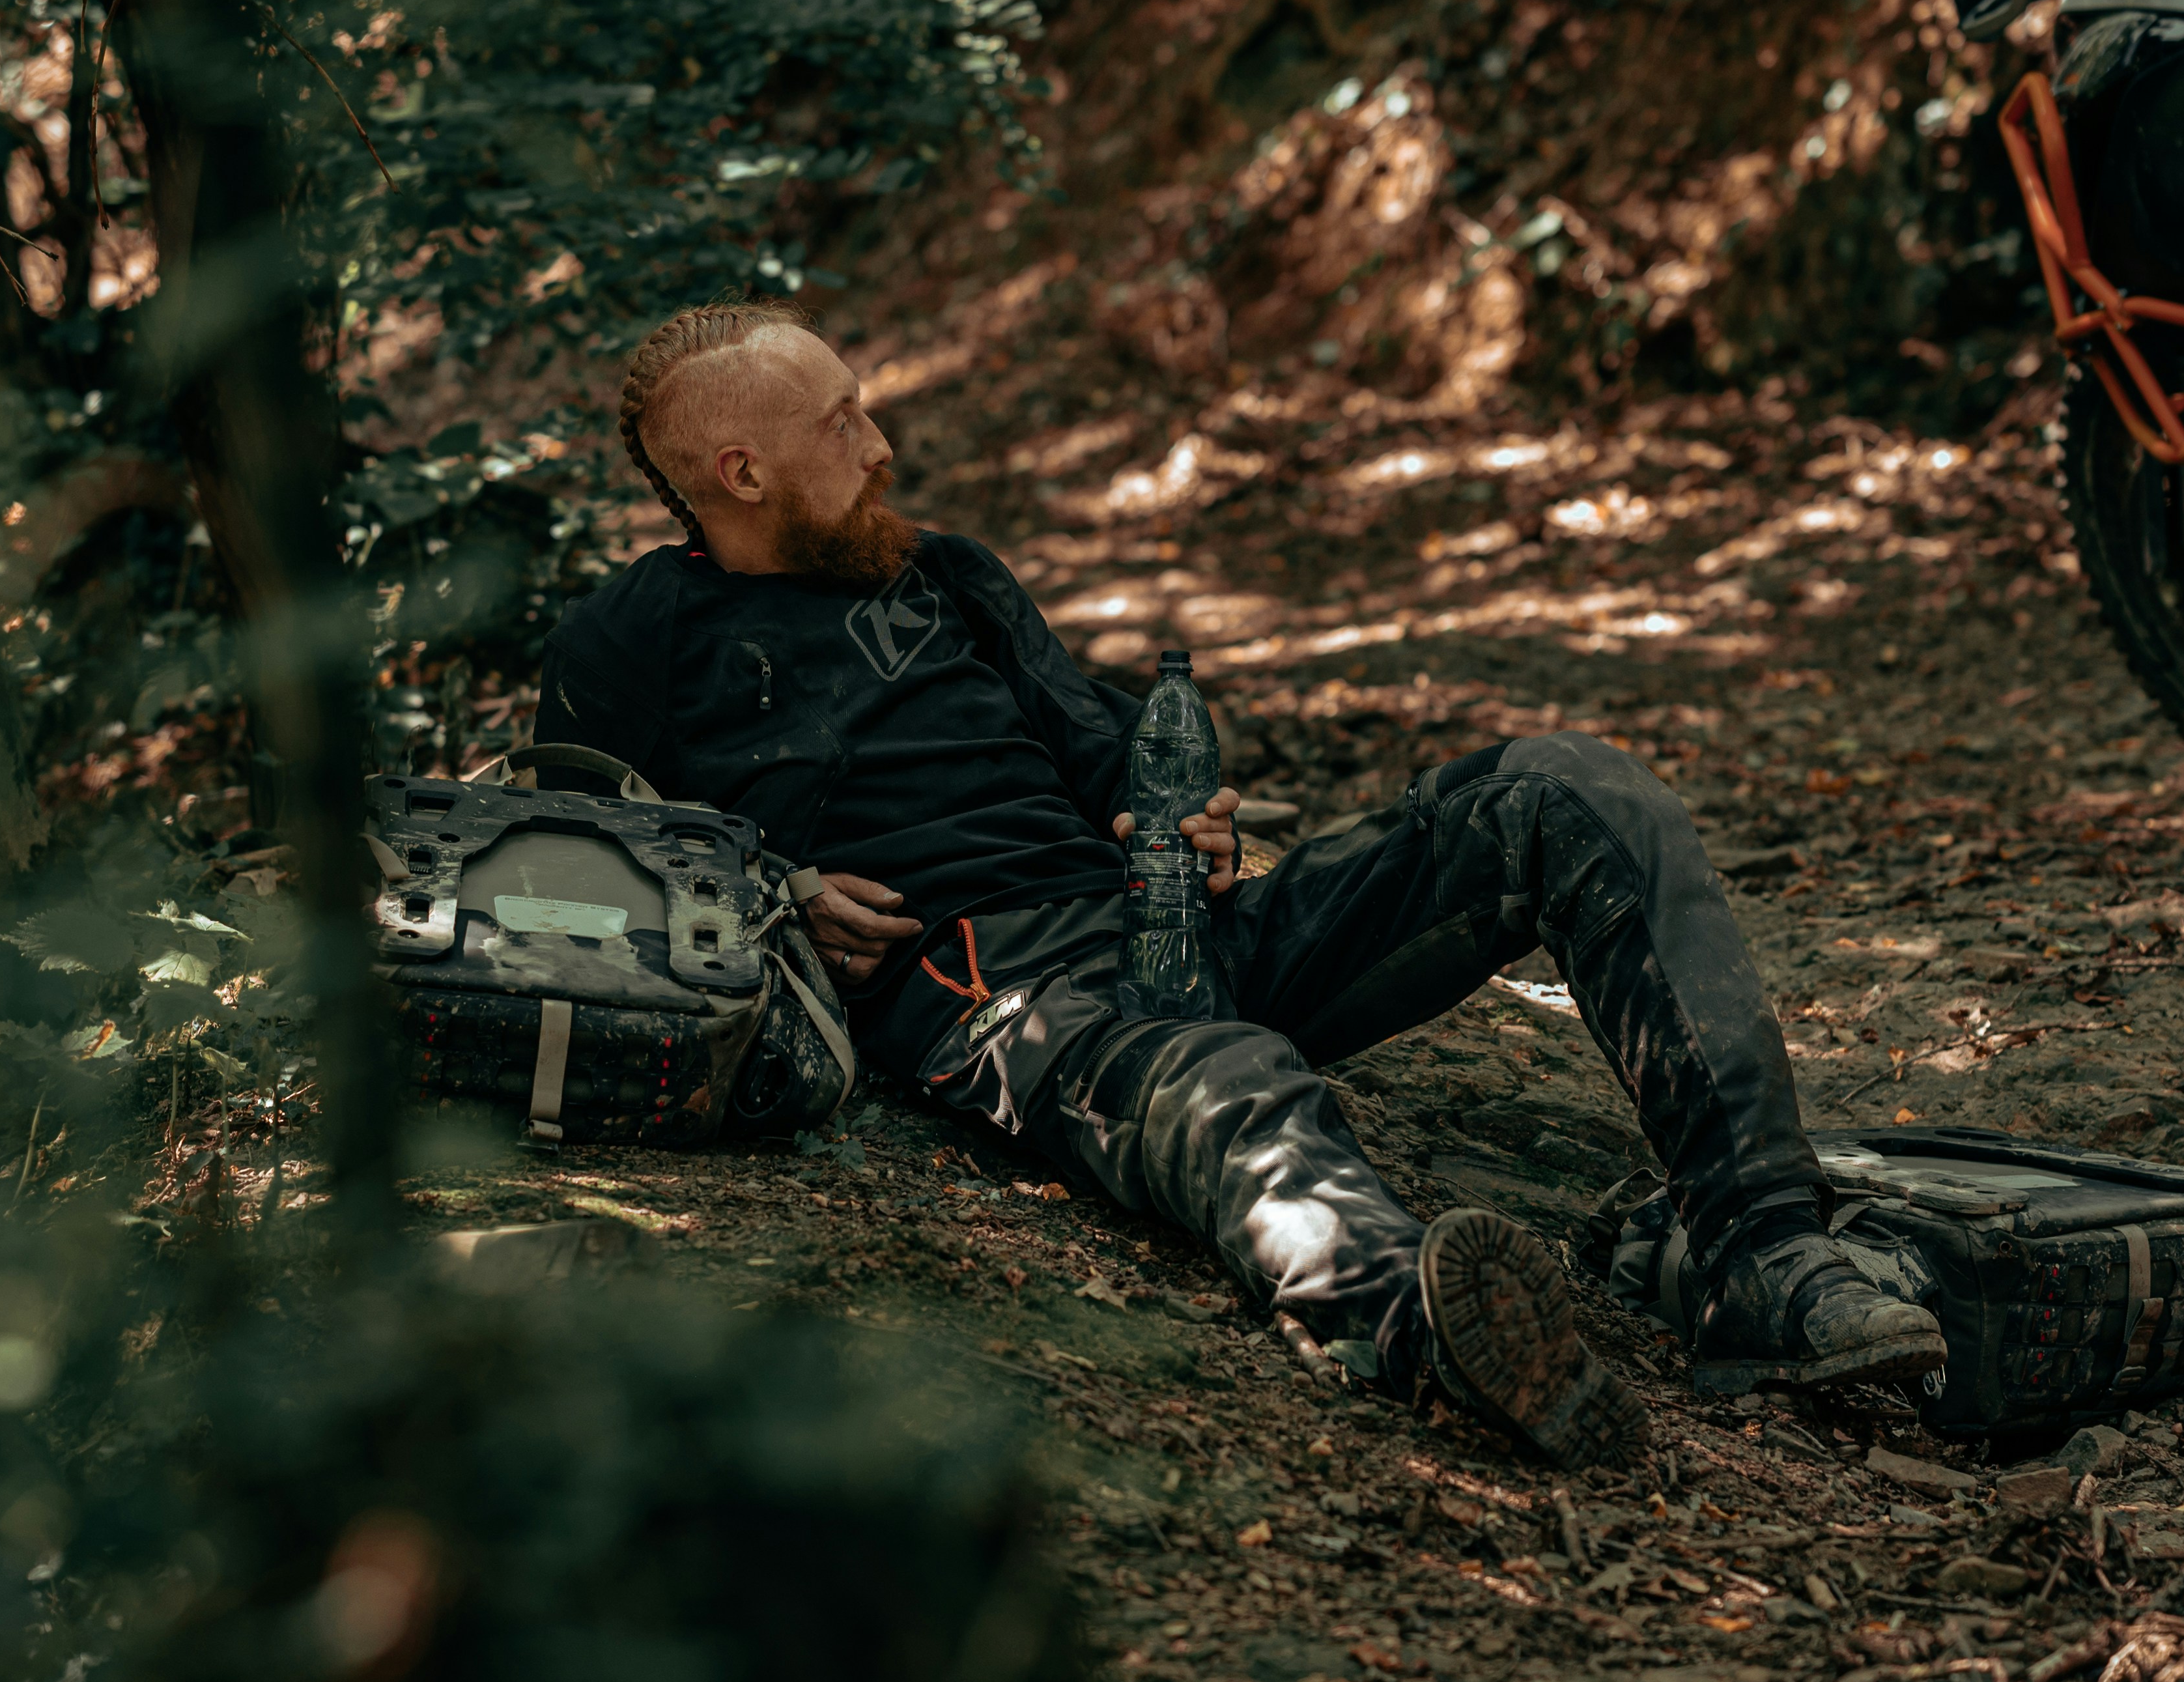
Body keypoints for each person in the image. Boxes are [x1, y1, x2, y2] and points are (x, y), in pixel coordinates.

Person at [531, 302, 1946, 1467]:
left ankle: (1765, 1247)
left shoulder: (950, 576)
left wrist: (1178, 812)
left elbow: (1100, 748)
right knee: (1224, 1085)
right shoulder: (638, 633)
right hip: (1004, 990)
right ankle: (1420, 1323)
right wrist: (775, 891)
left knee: (1566, 790)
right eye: (841, 420)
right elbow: (571, 853)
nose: (882, 441)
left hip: (1182, 926)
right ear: (740, 470)